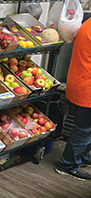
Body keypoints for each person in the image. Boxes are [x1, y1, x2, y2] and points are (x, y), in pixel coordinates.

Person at [55, 17, 91, 181]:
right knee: (83, 130)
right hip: (87, 88)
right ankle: (68, 165)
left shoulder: (88, 23)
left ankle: (82, 157)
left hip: (78, 82)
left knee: (85, 129)